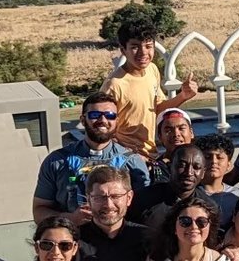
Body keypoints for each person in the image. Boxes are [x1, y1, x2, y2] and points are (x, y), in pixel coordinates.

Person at [33, 90, 152, 218]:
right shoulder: (57, 161)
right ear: (83, 120)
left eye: (110, 115)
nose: (103, 120)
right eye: (95, 114)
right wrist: (71, 219)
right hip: (73, 234)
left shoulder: (132, 162)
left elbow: (144, 210)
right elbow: (39, 211)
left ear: (117, 120)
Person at [103, 15, 197, 156]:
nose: (143, 53)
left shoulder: (151, 70)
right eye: (135, 47)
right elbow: (102, 127)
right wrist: (126, 152)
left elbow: (157, 108)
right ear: (123, 50)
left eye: (148, 46)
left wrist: (183, 96)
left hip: (150, 153)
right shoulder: (115, 84)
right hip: (127, 158)